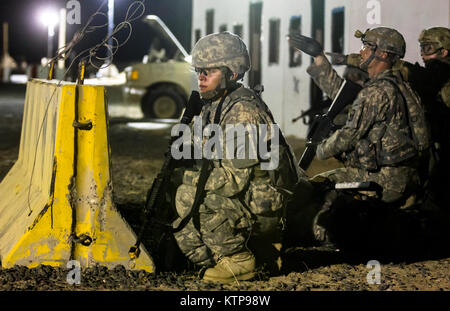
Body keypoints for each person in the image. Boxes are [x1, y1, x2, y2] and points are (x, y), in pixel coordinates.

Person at [172, 31, 299, 283]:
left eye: (209, 71)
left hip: (263, 204)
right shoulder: (217, 104)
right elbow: (205, 144)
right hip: (250, 196)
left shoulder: (243, 111)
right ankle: (258, 254)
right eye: (199, 70)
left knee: (188, 194)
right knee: (183, 213)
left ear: (232, 73)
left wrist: (187, 176)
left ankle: (239, 261)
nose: (201, 77)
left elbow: (232, 180)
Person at [289, 27, 429, 205]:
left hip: (383, 180)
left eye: (367, 46)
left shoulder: (376, 91)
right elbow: (342, 96)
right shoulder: (404, 87)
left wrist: (319, 148)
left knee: (316, 186)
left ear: (383, 54)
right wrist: (319, 57)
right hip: (407, 176)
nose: (361, 51)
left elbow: (349, 135)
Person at [333, 27, 450, 209]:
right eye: (421, 49)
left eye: (428, 49)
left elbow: (396, 65)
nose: (423, 55)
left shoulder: (435, 77)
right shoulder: (429, 79)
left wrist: (345, 59)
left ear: (444, 51)